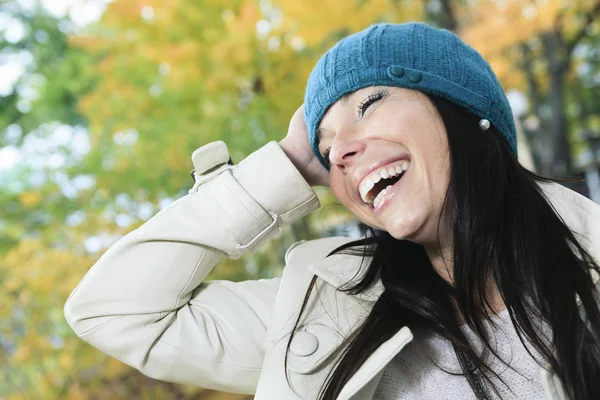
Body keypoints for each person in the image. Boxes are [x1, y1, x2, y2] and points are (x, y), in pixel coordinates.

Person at [64, 23, 600, 400]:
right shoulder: (320, 315)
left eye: (369, 105)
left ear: (466, 111)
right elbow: (113, 311)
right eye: (325, 149)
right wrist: (284, 168)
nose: (339, 151)